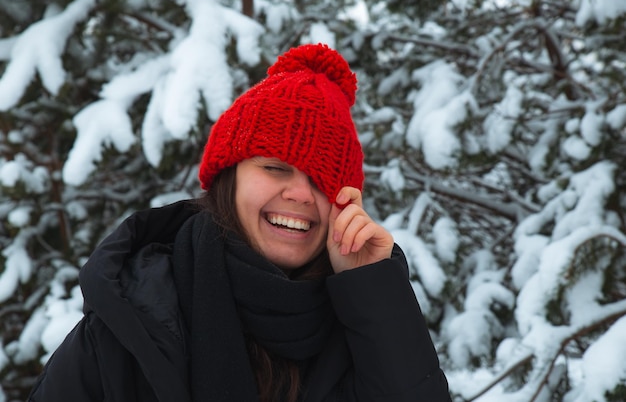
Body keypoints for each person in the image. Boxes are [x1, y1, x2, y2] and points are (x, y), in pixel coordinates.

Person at [29, 43, 451, 402]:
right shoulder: (128, 325)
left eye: (323, 181)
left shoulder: (362, 325)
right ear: (227, 180)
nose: (302, 194)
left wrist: (373, 290)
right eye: (275, 168)